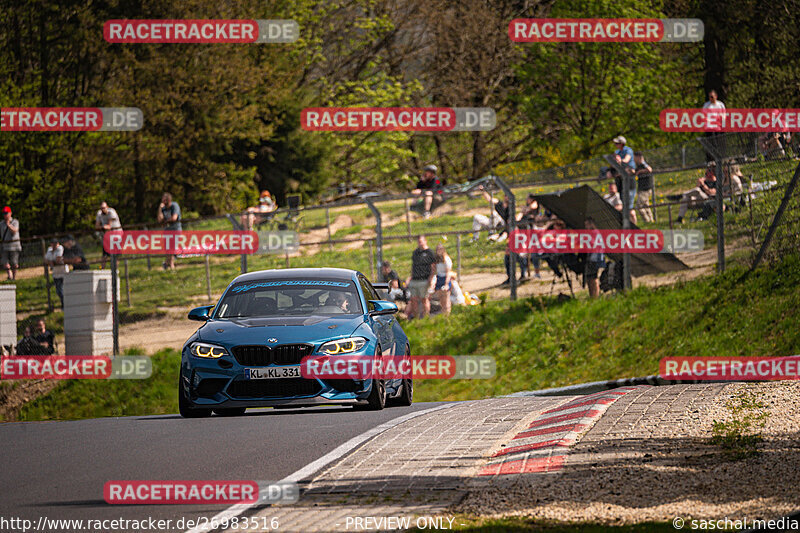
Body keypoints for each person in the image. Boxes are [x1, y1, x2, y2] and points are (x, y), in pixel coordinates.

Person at [405, 235, 436, 319]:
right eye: (418, 242)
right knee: (413, 300)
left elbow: (433, 267)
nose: (420, 243)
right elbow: (413, 266)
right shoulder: (415, 252)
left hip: (424, 280)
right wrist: (410, 277)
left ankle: (426, 318)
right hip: (414, 280)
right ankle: (416, 319)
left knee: (424, 299)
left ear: (425, 241)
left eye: (421, 241)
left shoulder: (430, 252)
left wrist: (431, 278)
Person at [613, 136, 637, 224]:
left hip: (629, 178)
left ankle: (634, 225)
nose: (615, 145)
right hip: (621, 180)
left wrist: (619, 161)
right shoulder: (617, 152)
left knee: (629, 207)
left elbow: (626, 160)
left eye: (617, 143)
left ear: (622, 144)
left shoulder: (628, 150)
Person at [157, 193, 182, 270]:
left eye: (164, 199)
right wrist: (160, 209)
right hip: (167, 230)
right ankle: (167, 264)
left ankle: (171, 265)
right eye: (162, 199)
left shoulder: (174, 205)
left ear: (169, 199)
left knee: (172, 248)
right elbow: (159, 219)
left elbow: (174, 218)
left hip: (175, 229)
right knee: (168, 248)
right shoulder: (163, 208)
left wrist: (165, 222)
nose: (163, 201)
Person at [95, 201, 122, 268]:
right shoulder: (99, 213)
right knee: (105, 254)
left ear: (107, 207)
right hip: (108, 236)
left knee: (115, 254)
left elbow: (109, 226)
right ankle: (102, 269)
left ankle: (115, 270)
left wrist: (102, 227)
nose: (103, 209)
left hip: (116, 235)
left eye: (104, 208)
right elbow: (96, 226)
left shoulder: (111, 212)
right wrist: (103, 227)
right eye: (101, 208)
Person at [584, 217, 605, 299]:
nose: (586, 227)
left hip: (595, 258)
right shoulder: (591, 233)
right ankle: (592, 296)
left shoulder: (595, 232)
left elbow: (595, 244)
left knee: (593, 277)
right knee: (589, 278)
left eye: (587, 225)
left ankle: (595, 296)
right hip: (591, 257)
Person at [44, 238, 67, 307]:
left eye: (56, 244)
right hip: (56, 274)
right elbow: (45, 260)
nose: (54, 245)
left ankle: (64, 305)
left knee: (63, 290)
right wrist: (50, 262)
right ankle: (64, 304)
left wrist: (51, 262)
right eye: (53, 244)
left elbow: (58, 259)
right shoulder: (49, 250)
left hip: (63, 273)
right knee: (58, 291)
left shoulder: (60, 248)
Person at [1, 206, 22, 280]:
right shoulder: (1, 224)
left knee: (14, 263)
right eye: (4, 213)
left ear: (10, 213)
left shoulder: (15, 222)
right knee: (5, 263)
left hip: (14, 246)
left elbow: (14, 231)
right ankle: (9, 276)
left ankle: (14, 277)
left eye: (6, 213)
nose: (5, 215)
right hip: (5, 246)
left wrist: (8, 225)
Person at [633, 152, 654, 223]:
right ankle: (651, 221)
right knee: (646, 206)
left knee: (639, 206)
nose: (634, 159)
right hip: (642, 188)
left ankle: (647, 221)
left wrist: (640, 171)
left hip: (645, 189)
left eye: (634, 157)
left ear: (638, 157)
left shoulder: (643, 164)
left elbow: (649, 169)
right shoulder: (638, 166)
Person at [433, 244, 453, 316]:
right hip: (439, 278)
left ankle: (447, 314)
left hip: (445, 278)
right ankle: (443, 312)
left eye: (440, 249)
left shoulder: (447, 259)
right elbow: (434, 270)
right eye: (437, 249)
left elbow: (448, 273)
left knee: (446, 297)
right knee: (440, 297)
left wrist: (446, 284)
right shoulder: (437, 259)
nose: (439, 251)